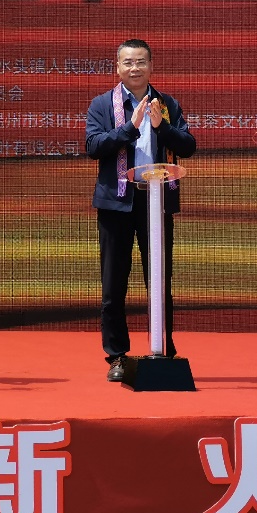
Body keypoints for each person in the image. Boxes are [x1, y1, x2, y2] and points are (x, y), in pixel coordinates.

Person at [85, 39, 196, 382]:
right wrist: (129, 129)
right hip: (116, 203)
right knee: (113, 283)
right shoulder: (103, 104)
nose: (135, 68)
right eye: (128, 62)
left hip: (157, 201)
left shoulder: (167, 103)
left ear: (151, 65)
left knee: (159, 280)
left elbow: (188, 146)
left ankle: (162, 348)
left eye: (141, 62)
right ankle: (117, 355)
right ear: (118, 67)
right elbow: (93, 145)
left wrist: (162, 126)